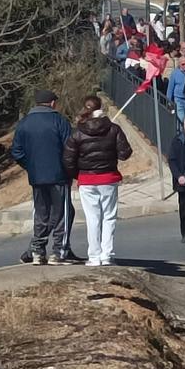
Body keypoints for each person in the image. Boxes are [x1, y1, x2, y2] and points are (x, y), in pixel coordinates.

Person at [62, 96, 132, 267]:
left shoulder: (78, 132)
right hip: (108, 177)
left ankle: (94, 256)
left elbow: (68, 159)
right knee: (109, 217)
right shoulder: (113, 129)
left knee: (92, 219)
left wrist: (78, 175)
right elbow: (125, 153)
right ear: (101, 108)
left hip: (87, 179)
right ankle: (107, 254)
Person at [11, 89, 75, 265]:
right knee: (62, 213)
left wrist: (31, 166)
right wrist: (69, 170)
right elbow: (70, 149)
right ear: (53, 103)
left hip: (37, 177)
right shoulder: (59, 121)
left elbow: (17, 152)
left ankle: (38, 251)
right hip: (58, 176)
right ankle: (58, 252)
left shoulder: (24, 123)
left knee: (41, 213)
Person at [168, 56, 185, 121]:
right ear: (179, 64)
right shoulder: (175, 73)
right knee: (182, 119)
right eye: (183, 64)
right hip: (179, 100)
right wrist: (169, 101)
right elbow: (170, 88)